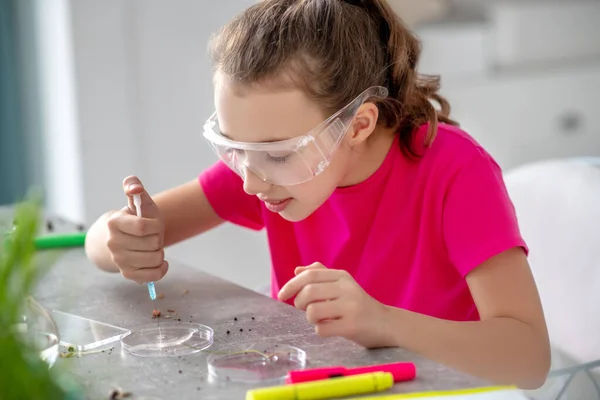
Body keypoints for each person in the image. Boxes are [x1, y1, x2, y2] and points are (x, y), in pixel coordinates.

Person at [84, 0, 550, 389]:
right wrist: (118, 239)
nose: (250, 182)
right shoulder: (272, 165)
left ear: (358, 125)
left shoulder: (455, 173)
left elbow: (529, 358)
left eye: (275, 155)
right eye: (234, 149)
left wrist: (384, 322)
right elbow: (105, 241)